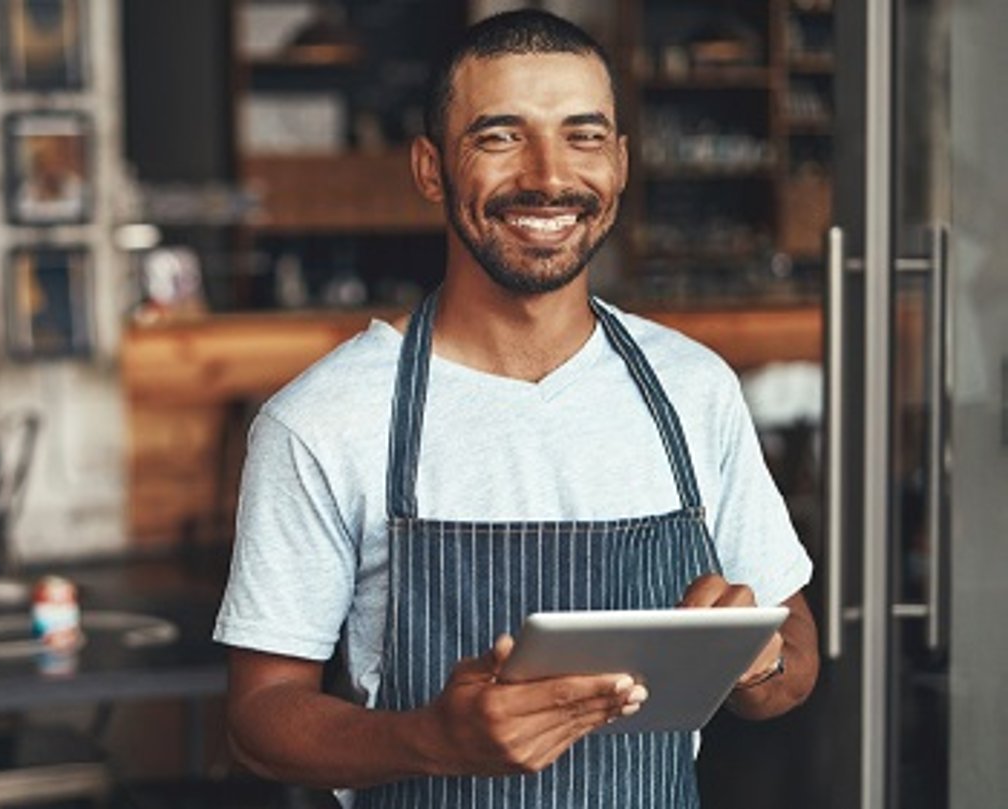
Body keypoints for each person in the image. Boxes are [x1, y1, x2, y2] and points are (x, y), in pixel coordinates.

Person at [213, 9, 819, 809]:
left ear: (622, 162)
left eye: (584, 135)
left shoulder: (692, 388)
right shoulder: (325, 419)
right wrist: (427, 738)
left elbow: (795, 664)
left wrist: (757, 659)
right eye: (500, 136)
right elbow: (258, 718)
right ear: (430, 168)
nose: (548, 175)